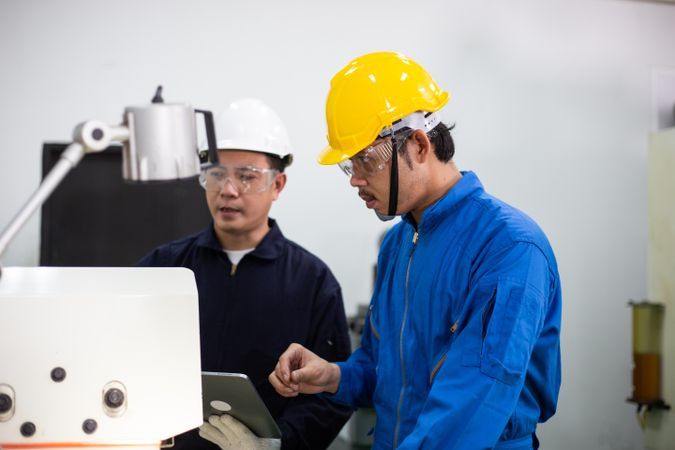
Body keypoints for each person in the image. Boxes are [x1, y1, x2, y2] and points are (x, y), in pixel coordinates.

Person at [269, 52, 562, 449]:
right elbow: (385, 371)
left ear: (420, 145)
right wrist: (334, 376)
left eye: (366, 160)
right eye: (348, 165)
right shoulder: (396, 245)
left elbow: (470, 410)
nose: (355, 179)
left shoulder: (508, 249)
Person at [137, 98, 353, 450]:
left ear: (278, 185)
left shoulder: (312, 281)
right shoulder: (165, 266)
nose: (228, 190)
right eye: (216, 174)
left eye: (247, 177)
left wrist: (277, 446)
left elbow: (333, 393)